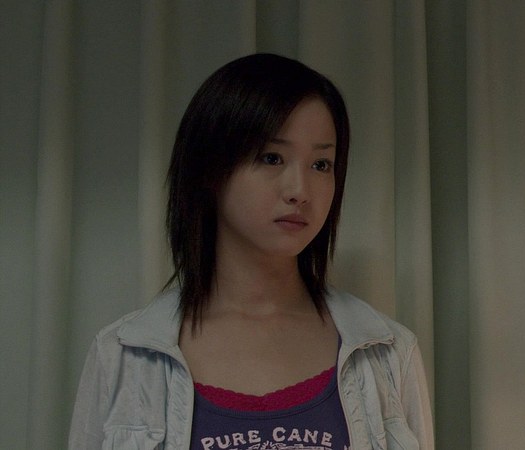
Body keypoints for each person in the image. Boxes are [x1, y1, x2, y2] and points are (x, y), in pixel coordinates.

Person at [68, 53, 434, 449]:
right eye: (271, 158)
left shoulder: (387, 354)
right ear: (210, 168)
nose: (300, 191)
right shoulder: (125, 358)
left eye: (321, 164)